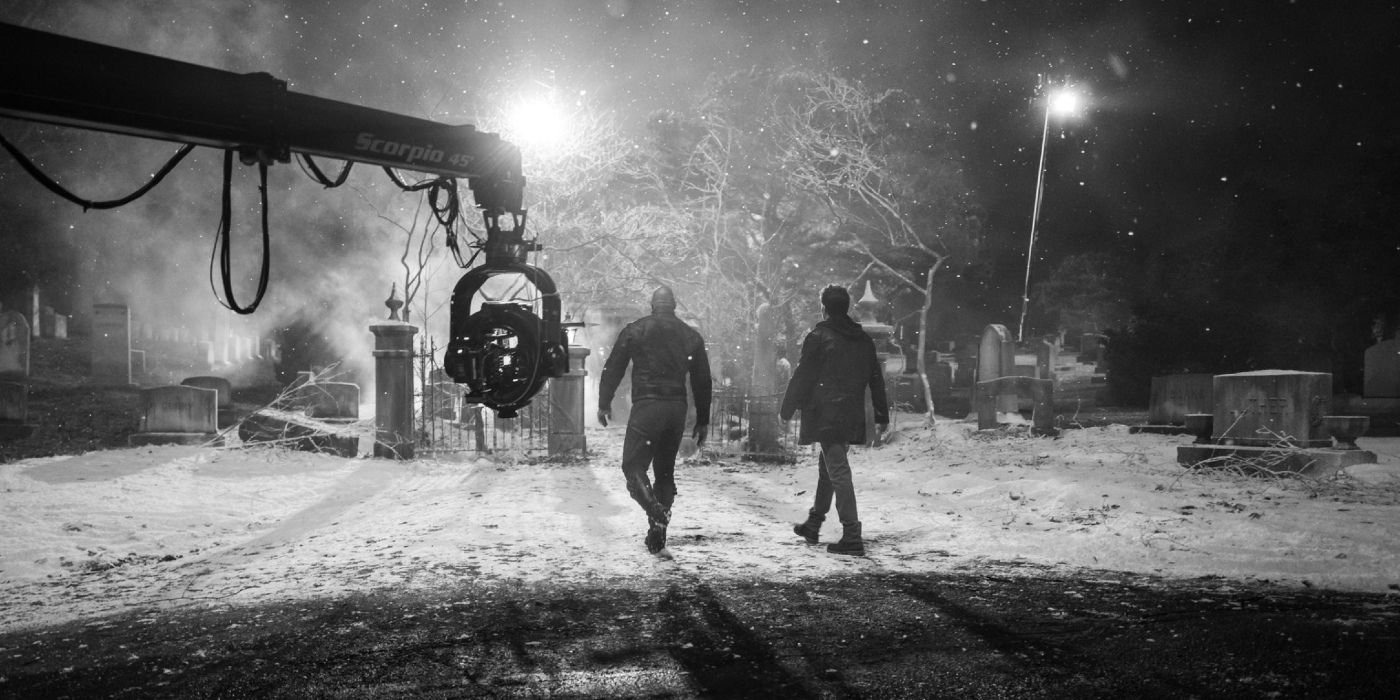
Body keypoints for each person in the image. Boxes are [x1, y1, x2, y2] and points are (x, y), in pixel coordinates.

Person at [598, 286, 712, 555]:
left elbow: (613, 366)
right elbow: (702, 381)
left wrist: (604, 402)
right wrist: (703, 419)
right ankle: (657, 531)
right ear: (674, 306)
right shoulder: (690, 336)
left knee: (632, 466)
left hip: (647, 406)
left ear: (652, 305)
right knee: (664, 471)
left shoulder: (635, 330)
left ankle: (655, 512)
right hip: (675, 408)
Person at [780, 284, 889, 556]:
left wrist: (787, 408)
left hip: (826, 413)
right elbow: (876, 378)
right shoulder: (862, 340)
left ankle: (852, 536)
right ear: (848, 307)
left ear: (824, 308)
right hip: (850, 413)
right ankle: (813, 524)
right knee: (828, 468)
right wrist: (881, 414)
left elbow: (803, 374)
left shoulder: (819, 336)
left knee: (837, 471)